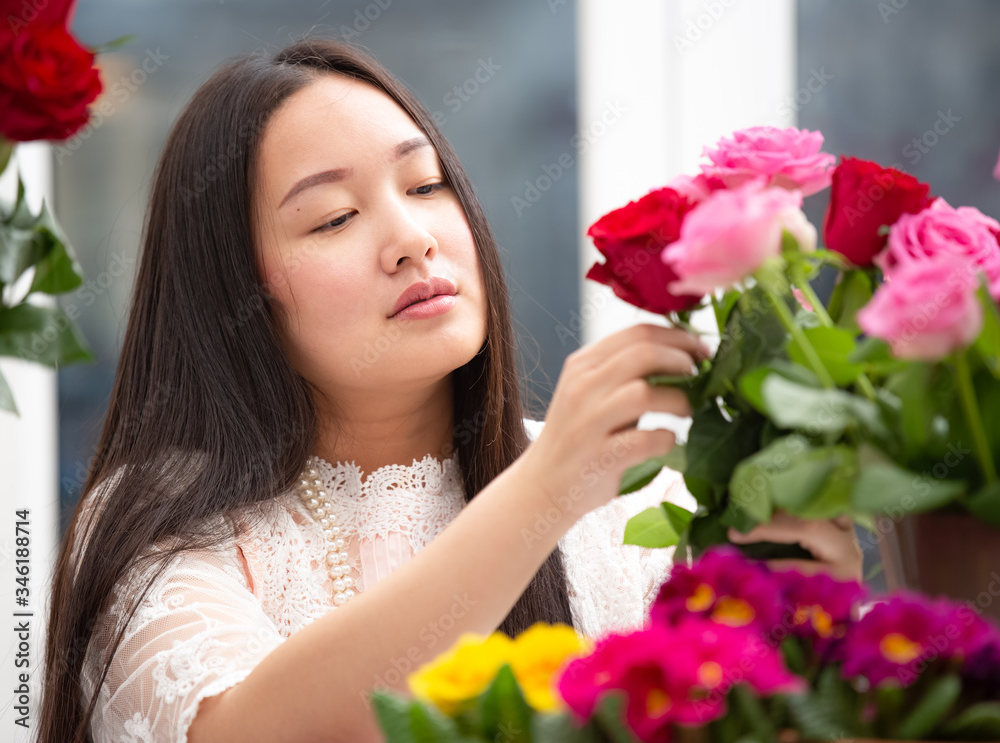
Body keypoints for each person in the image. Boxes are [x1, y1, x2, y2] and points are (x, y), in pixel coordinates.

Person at [37, 37, 862, 743]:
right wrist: (543, 494)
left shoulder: (631, 506)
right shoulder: (161, 528)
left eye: (426, 185)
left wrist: (800, 638)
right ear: (233, 295)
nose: (410, 238)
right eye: (332, 219)